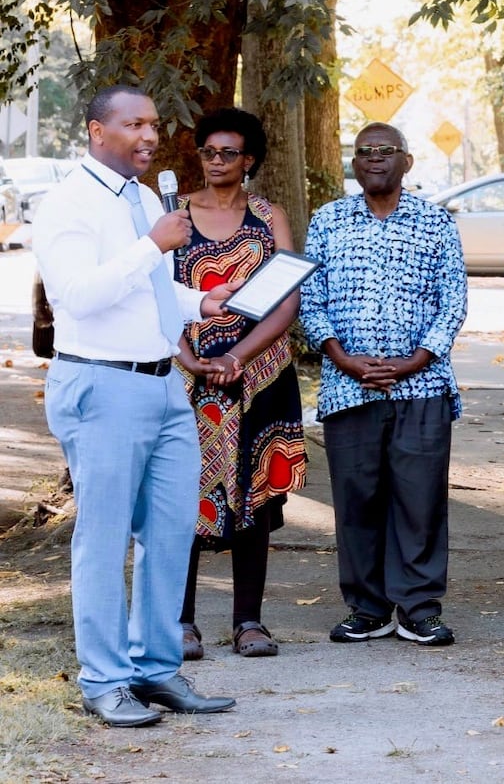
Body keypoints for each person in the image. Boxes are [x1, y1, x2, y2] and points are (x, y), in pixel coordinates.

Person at [34, 85, 238, 726]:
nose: (149, 136)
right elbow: (77, 297)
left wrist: (198, 303)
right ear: (98, 131)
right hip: (102, 384)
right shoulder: (66, 203)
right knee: (104, 536)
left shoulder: (145, 199)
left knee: (172, 532)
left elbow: (150, 290)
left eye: (153, 124)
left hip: (162, 384)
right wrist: (153, 245)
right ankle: (103, 680)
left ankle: (156, 671)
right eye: (134, 125)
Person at [301, 123, 468, 647]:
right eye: (364, 152)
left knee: (420, 502)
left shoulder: (436, 222)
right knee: (357, 501)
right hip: (348, 387)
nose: (374, 159)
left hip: (423, 386)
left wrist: (410, 362)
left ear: (407, 161)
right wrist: (345, 360)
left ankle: (419, 608)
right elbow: (310, 299)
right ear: (354, 163)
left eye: (385, 151)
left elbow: (453, 301)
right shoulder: (327, 221)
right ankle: (368, 608)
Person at [174, 108, 306, 660]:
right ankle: (179, 623)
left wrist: (237, 354)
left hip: (259, 374)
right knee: (179, 494)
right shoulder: (174, 216)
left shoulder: (268, 216)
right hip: (186, 379)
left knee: (255, 492)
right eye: (209, 151)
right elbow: (154, 298)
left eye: (229, 152)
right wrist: (191, 358)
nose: (217, 161)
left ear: (248, 159)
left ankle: (248, 622)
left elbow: (288, 296)